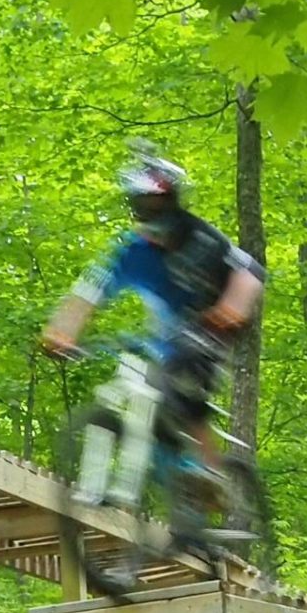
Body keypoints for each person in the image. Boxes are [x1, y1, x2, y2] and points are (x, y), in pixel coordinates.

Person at [39, 145, 266, 477]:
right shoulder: (132, 252)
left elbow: (250, 274)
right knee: (151, 389)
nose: (151, 215)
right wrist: (61, 332)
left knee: (188, 377)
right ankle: (173, 479)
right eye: (142, 208)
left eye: (157, 206)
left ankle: (212, 474)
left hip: (213, 328)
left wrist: (231, 310)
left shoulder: (202, 238)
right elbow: (88, 293)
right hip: (167, 336)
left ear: (173, 203)